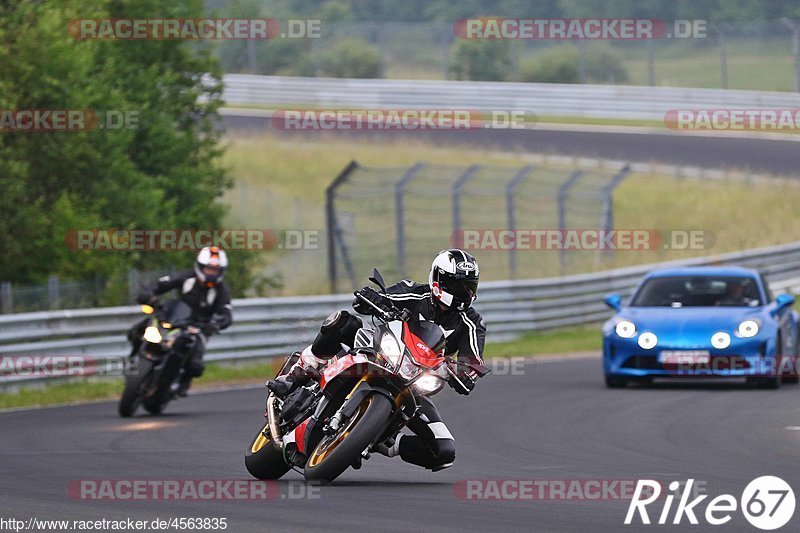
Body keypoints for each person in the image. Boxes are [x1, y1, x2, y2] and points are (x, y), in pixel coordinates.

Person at [267, 249, 486, 472]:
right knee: (343, 322)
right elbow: (380, 298)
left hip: (415, 384)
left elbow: (473, 360)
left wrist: (466, 375)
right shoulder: (414, 291)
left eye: (470, 286)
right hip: (382, 352)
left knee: (443, 450)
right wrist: (371, 298)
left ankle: (385, 441)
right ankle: (296, 374)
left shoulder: (472, 323)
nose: (465, 292)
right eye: (459, 285)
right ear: (438, 279)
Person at [130, 246, 233, 396]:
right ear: (200, 266)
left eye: (215, 270)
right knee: (140, 328)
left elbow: (226, 313)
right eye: (209, 269)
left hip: (199, 328)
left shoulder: (222, 290)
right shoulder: (186, 277)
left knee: (195, 365)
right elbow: (161, 283)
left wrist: (216, 323)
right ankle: (135, 356)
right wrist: (149, 294)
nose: (212, 273)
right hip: (175, 319)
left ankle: (183, 382)